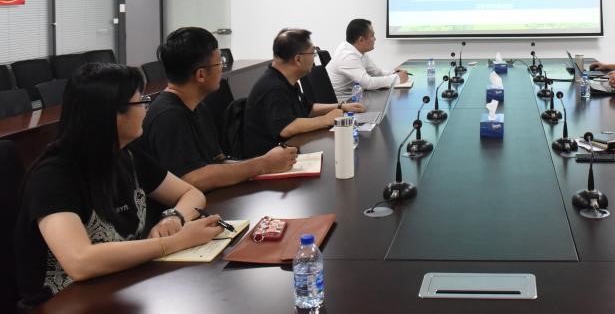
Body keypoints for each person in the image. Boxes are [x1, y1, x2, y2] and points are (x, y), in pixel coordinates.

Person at [15, 63, 223, 307]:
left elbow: (191, 193)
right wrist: (173, 243)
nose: (146, 109)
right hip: (65, 302)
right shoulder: (52, 176)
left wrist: (173, 218)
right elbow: (80, 261)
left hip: (121, 286)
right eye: (141, 102)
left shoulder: (126, 155)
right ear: (111, 114)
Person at [137, 27, 298, 192]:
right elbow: (192, 179)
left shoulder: (198, 107)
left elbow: (217, 162)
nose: (222, 68)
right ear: (201, 75)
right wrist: (263, 164)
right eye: (219, 62)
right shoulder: (168, 117)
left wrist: (268, 162)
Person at [242, 28, 364, 158]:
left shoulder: (286, 80)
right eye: (312, 53)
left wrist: (341, 106)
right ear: (298, 59)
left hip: (287, 152)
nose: (314, 58)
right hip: (269, 161)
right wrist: (325, 119)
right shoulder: (273, 87)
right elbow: (286, 128)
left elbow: (308, 108)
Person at [327, 19, 408, 98]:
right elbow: (368, 83)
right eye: (372, 35)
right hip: (341, 101)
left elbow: (376, 72)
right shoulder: (347, 56)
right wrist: (397, 78)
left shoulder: (358, 51)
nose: (375, 39)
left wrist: (393, 73)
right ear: (361, 40)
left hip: (354, 96)